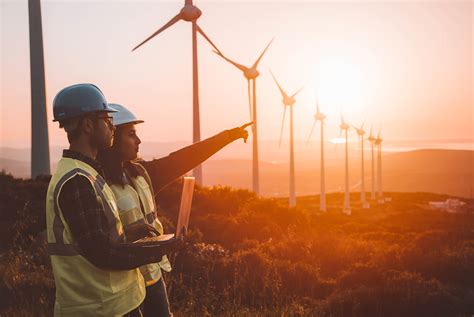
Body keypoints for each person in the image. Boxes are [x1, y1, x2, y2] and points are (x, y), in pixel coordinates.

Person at [96, 103, 252, 317]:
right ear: (113, 139)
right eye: (131, 134)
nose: (138, 140)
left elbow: (183, 158)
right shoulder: (97, 184)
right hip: (124, 283)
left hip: (152, 275)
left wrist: (227, 136)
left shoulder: (141, 174)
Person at [45, 84, 177, 317]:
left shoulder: (88, 174)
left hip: (115, 304)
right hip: (99, 308)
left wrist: (130, 233)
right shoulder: (77, 181)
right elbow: (101, 253)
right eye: (106, 120)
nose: (111, 127)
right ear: (87, 125)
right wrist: (158, 249)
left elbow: (99, 239)